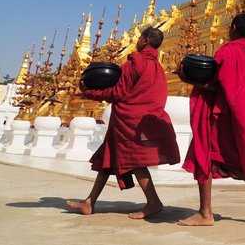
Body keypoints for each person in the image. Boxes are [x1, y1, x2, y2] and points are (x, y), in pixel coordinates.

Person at [178, 13, 245, 226]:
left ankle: (206, 213)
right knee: (224, 158)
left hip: (217, 114)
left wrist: (187, 78)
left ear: (233, 27)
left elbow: (219, 86)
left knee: (204, 156)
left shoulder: (228, 51)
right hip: (234, 114)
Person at [66, 27, 180, 219]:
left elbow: (117, 93)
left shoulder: (134, 63)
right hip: (142, 120)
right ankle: (89, 202)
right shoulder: (159, 69)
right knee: (106, 159)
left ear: (144, 40)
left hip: (129, 121)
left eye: (139, 37)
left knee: (135, 161)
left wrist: (89, 92)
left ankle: (154, 202)